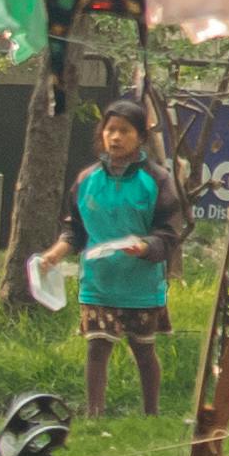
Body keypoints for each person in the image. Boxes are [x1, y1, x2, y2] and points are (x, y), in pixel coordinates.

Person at [40, 103, 185, 419]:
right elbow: (74, 229)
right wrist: (54, 255)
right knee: (96, 349)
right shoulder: (87, 180)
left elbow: (169, 231)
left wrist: (147, 247)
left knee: (144, 351)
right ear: (101, 135)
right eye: (110, 130)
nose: (116, 138)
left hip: (141, 286)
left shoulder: (157, 181)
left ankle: (152, 415)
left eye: (124, 131)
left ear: (141, 137)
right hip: (99, 283)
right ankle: (94, 415)